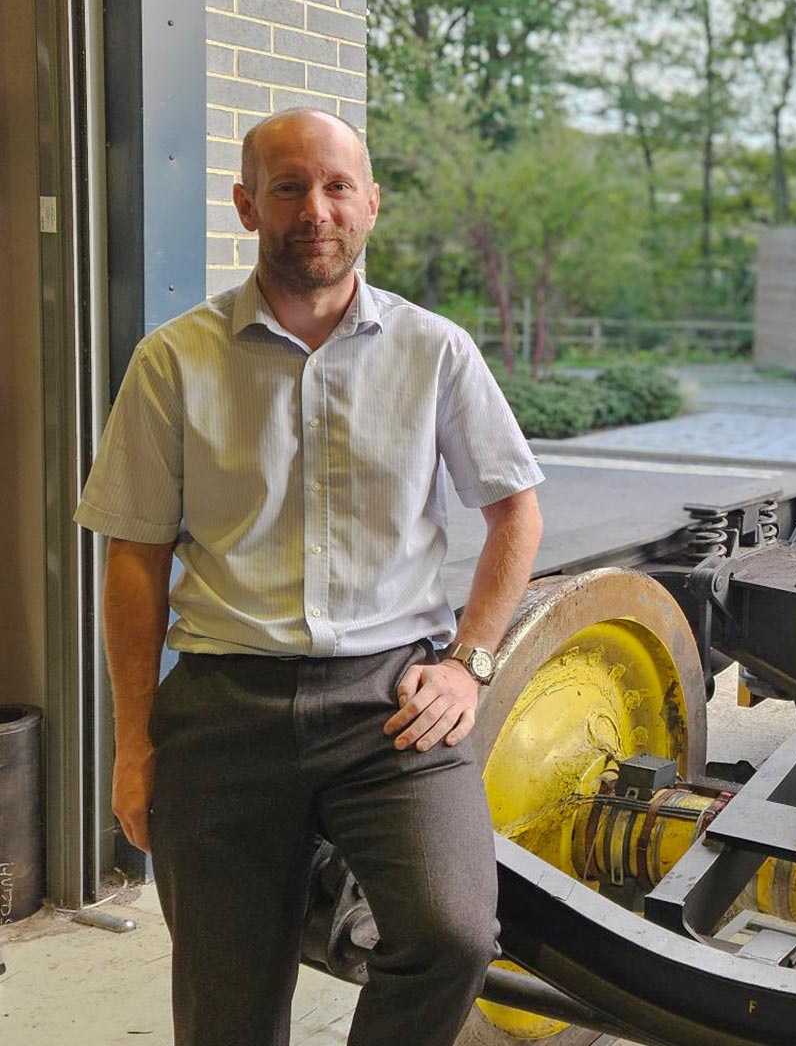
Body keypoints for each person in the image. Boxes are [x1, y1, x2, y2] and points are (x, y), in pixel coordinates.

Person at [75, 106, 545, 1046]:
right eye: (288, 187)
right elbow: (134, 558)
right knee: (227, 1000)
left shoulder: (436, 351)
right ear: (248, 206)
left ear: (371, 203)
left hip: (391, 702)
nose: (315, 208)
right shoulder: (173, 362)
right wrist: (134, 741)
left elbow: (515, 513)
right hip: (222, 705)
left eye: (337, 186)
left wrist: (470, 664)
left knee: (452, 935)